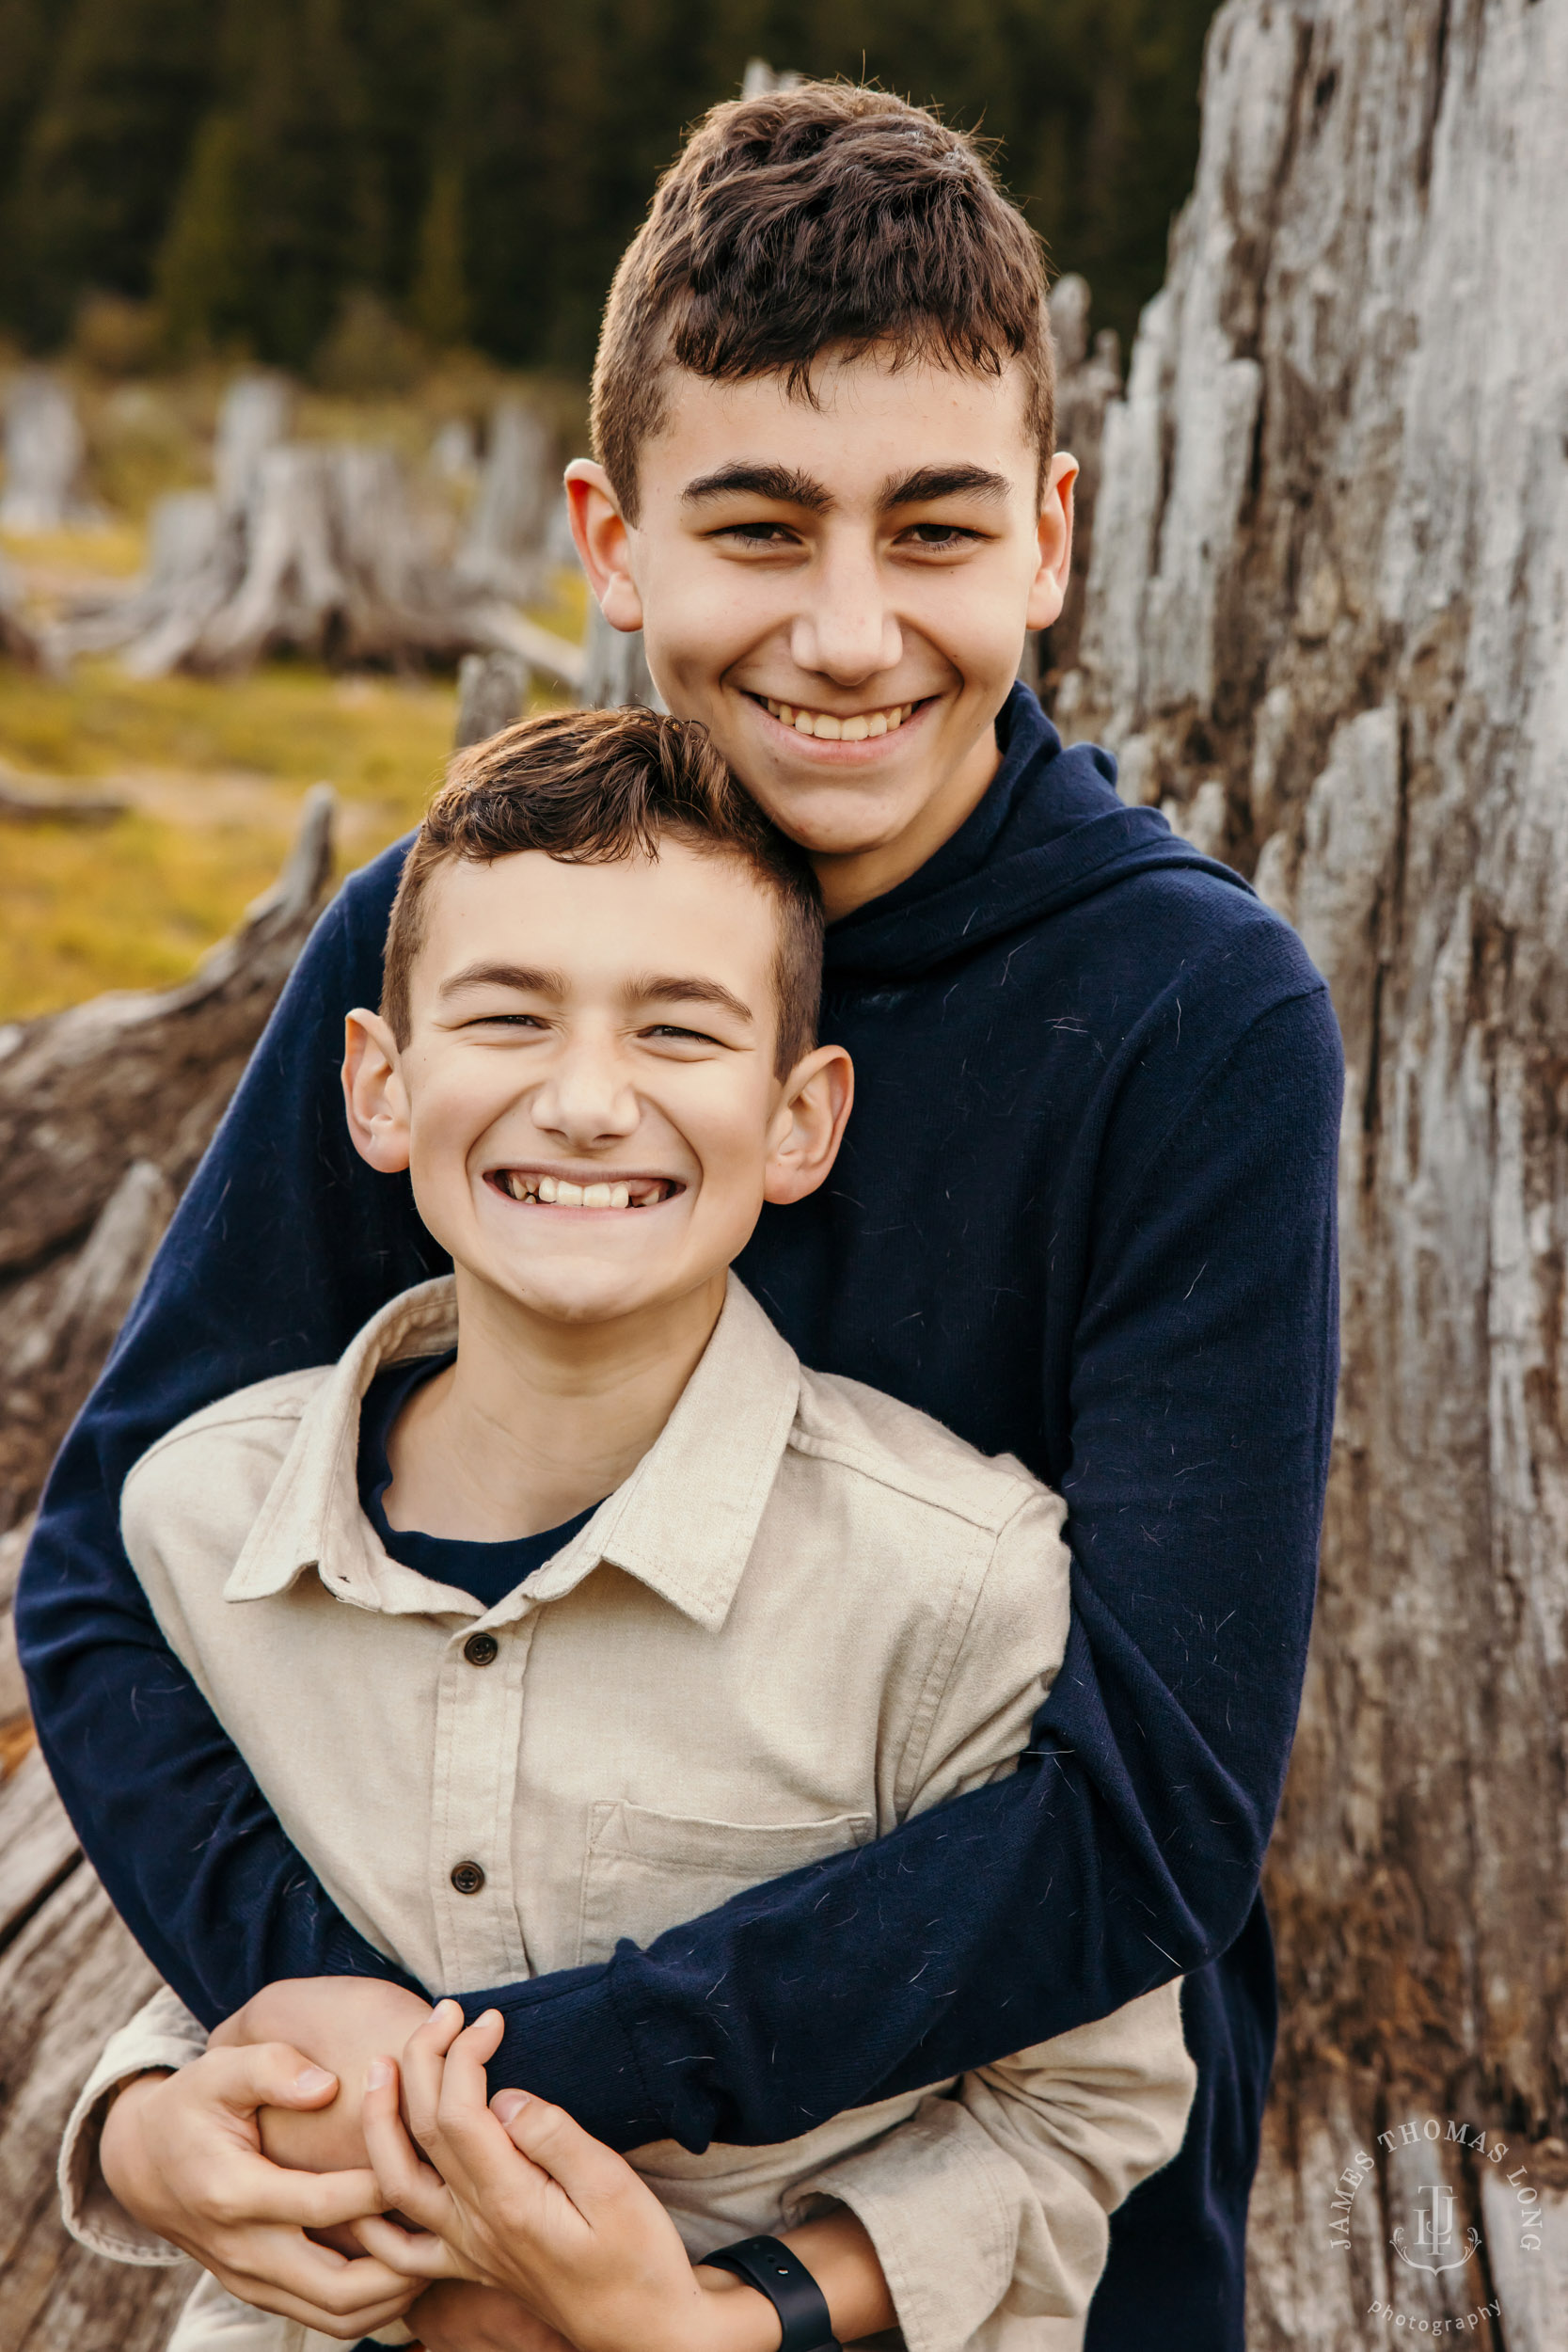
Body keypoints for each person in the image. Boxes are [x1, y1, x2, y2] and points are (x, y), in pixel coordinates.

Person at [18, 80, 1341, 2352]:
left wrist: (526, 2106)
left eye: (931, 531)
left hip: (957, 2227)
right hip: (419, 2218)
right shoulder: (440, 942)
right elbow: (113, 1559)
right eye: (758, 527)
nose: (847, 632)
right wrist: (303, 2039)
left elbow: (1149, 1810)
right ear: (611, 539)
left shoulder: (1194, 1014)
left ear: (1047, 535)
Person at [63, 706, 1195, 2352]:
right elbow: (228, 1948)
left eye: (679, 1032)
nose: (587, 1102)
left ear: (800, 1117)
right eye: (508, 1016)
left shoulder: (952, 1583)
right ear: (377, 1086)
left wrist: (720, 2318)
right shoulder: (198, 1521)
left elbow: (1076, 2112)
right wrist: (143, 2120)